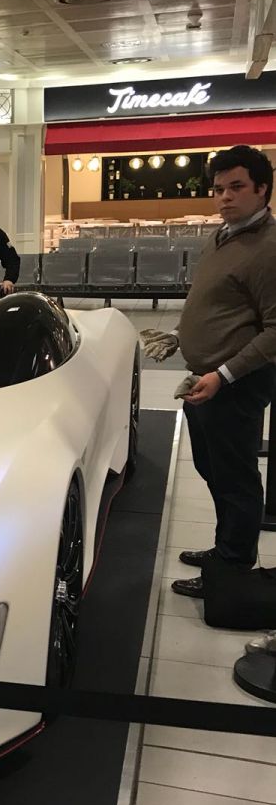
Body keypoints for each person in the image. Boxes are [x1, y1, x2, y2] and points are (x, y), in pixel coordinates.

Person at [143, 145, 276, 598]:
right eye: (218, 188)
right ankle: (225, 548)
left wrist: (225, 374)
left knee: (235, 478)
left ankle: (234, 566)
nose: (224, 197)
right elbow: (218, 304)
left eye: (236, 187)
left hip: (235, 384)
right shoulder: (222, 237)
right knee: (212, 469)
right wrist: (183, 334)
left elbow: (275, 330)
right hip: (205, 378)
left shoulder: (268, 249)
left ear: (262, 188)